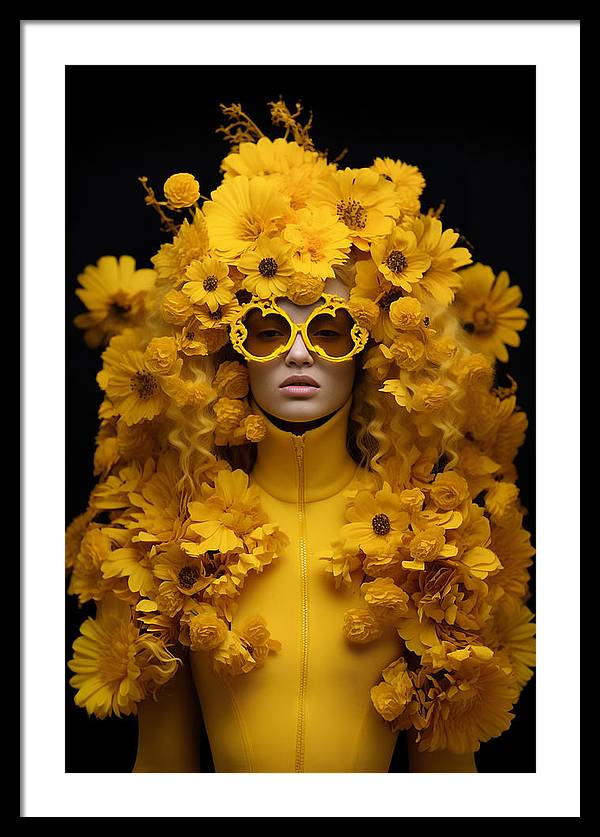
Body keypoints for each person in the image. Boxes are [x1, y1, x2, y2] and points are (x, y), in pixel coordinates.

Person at [67, 119, 535, 774]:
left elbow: (451, 779)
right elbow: (159, 769)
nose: (296, 351)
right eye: (263, 326)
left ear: (373, 348)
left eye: (331, 327)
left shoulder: (431, 543)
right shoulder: (167, 545)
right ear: (228, 348)